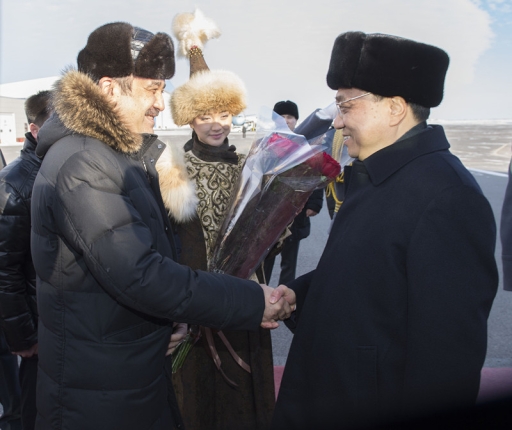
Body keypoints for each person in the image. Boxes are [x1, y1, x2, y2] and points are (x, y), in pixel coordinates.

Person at [30, 22, 293, 430]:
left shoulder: (116, 155)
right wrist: (249, 301)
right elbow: (140, 274)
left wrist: (164, 326)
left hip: (129, 374)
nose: (160, 104)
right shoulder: (83, 163)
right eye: (152, 90)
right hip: (100, 396)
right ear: (109, 89)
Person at [271, 31, 498, 429]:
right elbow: (370, 272)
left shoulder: (448, 197)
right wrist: (300, 294)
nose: (337, 121)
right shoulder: (377, 174)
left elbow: (446, 365)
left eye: (345, 105)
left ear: (394, 108)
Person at [156, 10, 275, 429]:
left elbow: (263, 233)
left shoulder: (250, 166)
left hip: (243, 297)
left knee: (243, 401)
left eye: (223, 114)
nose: (216, 124)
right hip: (195, 305)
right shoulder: (172, 169)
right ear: (190, 118)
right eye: (205, 115)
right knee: (197, 400)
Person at [0, 90, 52, 430]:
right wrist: (24, 337)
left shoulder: (60, 170)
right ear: (35, 130)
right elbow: (5, 269)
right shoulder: (15, 182)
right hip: (37, 333)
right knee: (30, 412)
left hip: (60, 325)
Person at [264, 100, 324, 285]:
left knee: (289, 260)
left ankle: (286, 292)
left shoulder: (306, 143)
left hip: (296, 212)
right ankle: (262, 292)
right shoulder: (266, 143)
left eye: (290, 117)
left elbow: (316, 174)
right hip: (269, 214)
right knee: (265, 258)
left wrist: (314, 203)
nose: (286, 120)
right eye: (281, 116)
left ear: (296, 120)